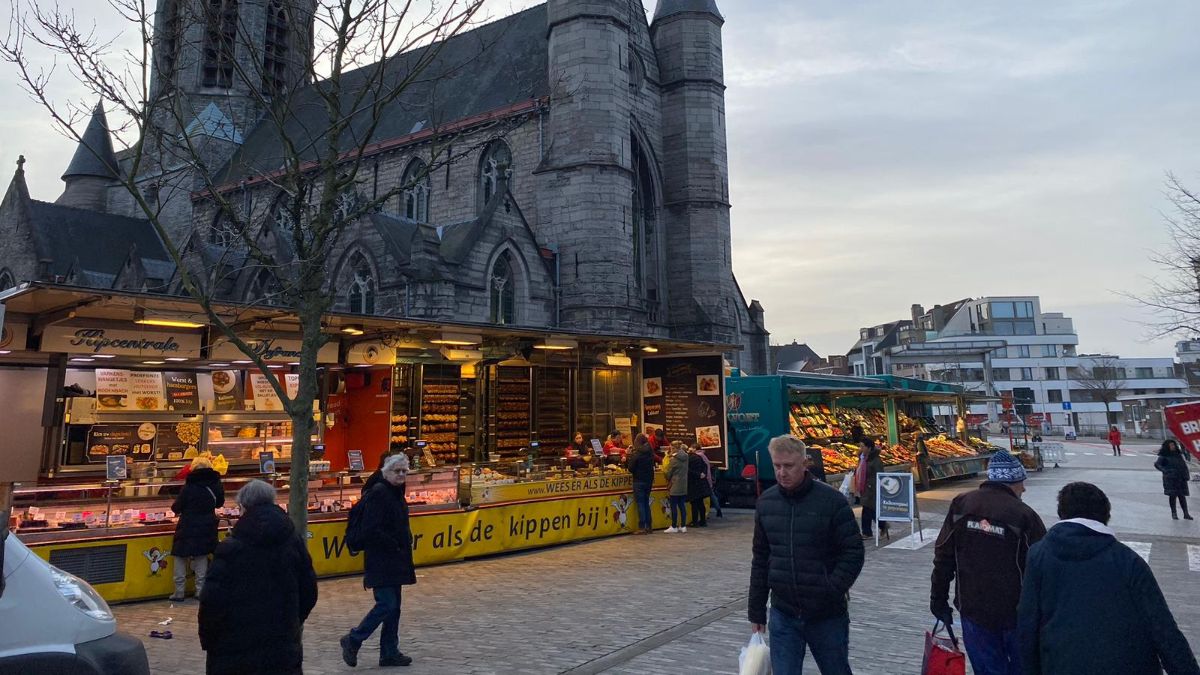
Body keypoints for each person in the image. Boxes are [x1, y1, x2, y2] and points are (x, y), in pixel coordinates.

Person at [1018, 482, 1199, 675]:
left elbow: (1028, 621)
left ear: (1062, 513)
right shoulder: (1126, 560)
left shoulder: (1038, 555)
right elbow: (1162, 627)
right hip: (1127, 664)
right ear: (1105, 515)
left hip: (1062, 663)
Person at [748, 435, 864, 674]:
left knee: (836, 670)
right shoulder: (766, 503)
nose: (782, 472)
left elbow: (853, 551)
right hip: (783, 612)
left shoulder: (831, 501)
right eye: (777, 466)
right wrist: (756, 609)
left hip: (826, 614)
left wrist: (831, 588)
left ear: (804, 463)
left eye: (788, 466)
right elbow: (761, 558)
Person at [930, 450, 1046, 675]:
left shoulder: (961, 505)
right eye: (1022, 482)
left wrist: (938, 600)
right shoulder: (1024, 515)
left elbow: (943, 557)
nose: (1024, 488)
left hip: (973, 610)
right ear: (1013, 481)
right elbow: (1042, 568)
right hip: (1016, 616)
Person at [198, 480, 317, 675]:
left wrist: (209, 639)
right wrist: (292, 620)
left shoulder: (231, 547)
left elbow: (212, 601)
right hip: (281, 644)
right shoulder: (293, 541)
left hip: (235, 647)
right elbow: (309, 590)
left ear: (243, 507)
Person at [341, 454, 418, 668]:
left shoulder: (395, 492)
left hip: (395, 559)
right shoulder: (380, 493)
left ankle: (389, 652)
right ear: (386, 472)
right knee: (387, 604)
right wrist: (393, 543)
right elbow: (370, 529)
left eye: (404, 471)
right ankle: (354, 639)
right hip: (382, 558)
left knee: (394, 608)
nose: (401, 475)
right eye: (397, 471)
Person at [169, 455, 225, 601]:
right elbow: (219, 503)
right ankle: (200, 590)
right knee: (202, 556)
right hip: (207, 525)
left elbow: (177, 506)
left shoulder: (190, 484)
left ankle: (179, 591)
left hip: (188, 524)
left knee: (180, 556)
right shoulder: (216, 484)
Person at [1155, 439, 1194, 520]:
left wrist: (1186, 475)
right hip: (1171, 479)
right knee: (1173, 496)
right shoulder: (1164, 456)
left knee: (1182, 496)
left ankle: (1186, 513)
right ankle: (1174, 513)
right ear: (1167, 446)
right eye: (1171, 445)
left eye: (1174, 445)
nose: (1173, 447)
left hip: (1181, 478)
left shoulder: (1178, 455)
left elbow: (1183, 466)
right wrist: (1166, 471)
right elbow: (1157, 465)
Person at [859, 439, 888, 541]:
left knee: (867, 510)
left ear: (869, 448)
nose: (861, 449)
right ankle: (882, 525)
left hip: (872, 488)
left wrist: (876, 487)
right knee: (870, 510)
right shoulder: (863, 458)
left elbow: (880, 475)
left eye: (863, 446)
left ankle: (867, 532)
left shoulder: (876, 460)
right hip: (865, 488)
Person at [626, 434, 656, 534]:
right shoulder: (650, 452)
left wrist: (629, 455)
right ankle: (649, 525)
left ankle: (642, 527)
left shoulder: (637, 453)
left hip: (639, 480)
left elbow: (630, 468)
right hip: (649, 480)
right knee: (646, 503)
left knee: (640, 504)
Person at [664, 441, 690, 533]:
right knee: (682, 505)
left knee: (674, 506)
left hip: (675, 485)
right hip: (683, 484)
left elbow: (668, 474)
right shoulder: (686, 457)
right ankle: (683, 526)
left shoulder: (673, 460)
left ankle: (674, 526)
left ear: (674, 448)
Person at [686, 444, 713, 527]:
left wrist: (697, 474)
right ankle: (703, 521)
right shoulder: (699, 457)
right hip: (701, 482)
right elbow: (705, 466)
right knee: (700, 503)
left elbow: (688, 470)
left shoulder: (688, 459)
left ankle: (695, 522)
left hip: (693, 483)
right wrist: (703, 474)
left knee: (694, 503)